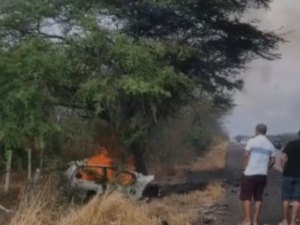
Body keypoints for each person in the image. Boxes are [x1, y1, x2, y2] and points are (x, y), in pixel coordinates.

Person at [240, 123, 276, 225]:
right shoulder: (270, 144)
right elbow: (273, 161)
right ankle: (255, 221)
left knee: (246, 197)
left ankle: (247, 220)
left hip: (250, 173)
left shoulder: (252, 141)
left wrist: (245, 168)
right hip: (262, 174)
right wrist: (266, 168)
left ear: (256, 130)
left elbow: (246, 155)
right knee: (258, 197)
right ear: (265, 131)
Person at [279, 130, 300, 225]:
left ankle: (285, 220)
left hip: (288, 174)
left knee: (286, 198)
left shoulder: (291, 144)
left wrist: (284, 169)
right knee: (297, 200)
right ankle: (293, 222)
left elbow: (283, 157)